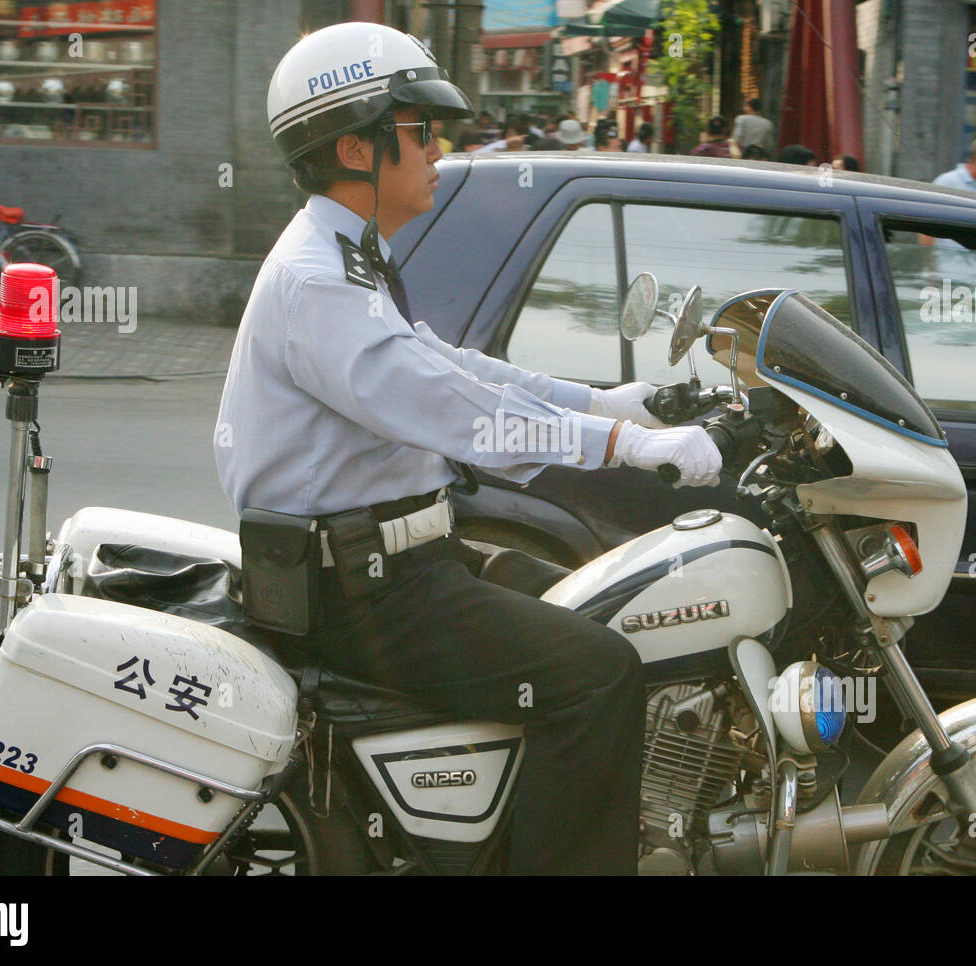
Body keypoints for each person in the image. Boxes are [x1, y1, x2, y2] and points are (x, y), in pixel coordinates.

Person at [220, 22, 723, 875]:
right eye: (418, 132)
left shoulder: (349, 256)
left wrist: (601, 400)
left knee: (586, 605)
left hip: (400, 565)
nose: (437, 150)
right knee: (600, 675)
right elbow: (457, 415)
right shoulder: (319, 282)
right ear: (355, 146)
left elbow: (451, 367)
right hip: (368, 595)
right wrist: (627, 448)